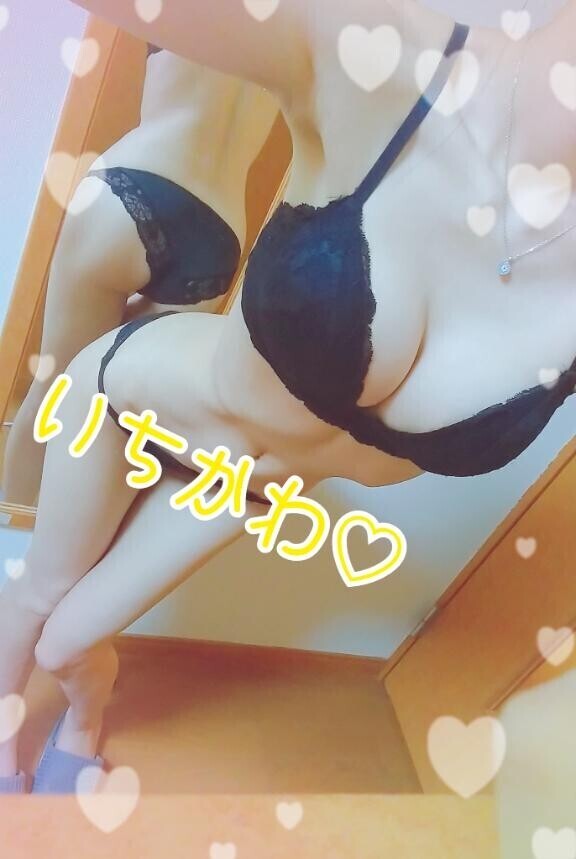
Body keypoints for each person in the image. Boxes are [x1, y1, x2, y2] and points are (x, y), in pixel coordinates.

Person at [1, 0, 575, 792]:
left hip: (240, 490)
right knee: (42, 590)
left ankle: (83, 714)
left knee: (67, 644)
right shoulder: (388, 61)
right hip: (123, 399)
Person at [1, 47, 278, 506]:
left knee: (56, 387)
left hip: (136, 181)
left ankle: (15, 524)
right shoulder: (303, 24)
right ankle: (65, 536)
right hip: (219, 230)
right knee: (120, 414)